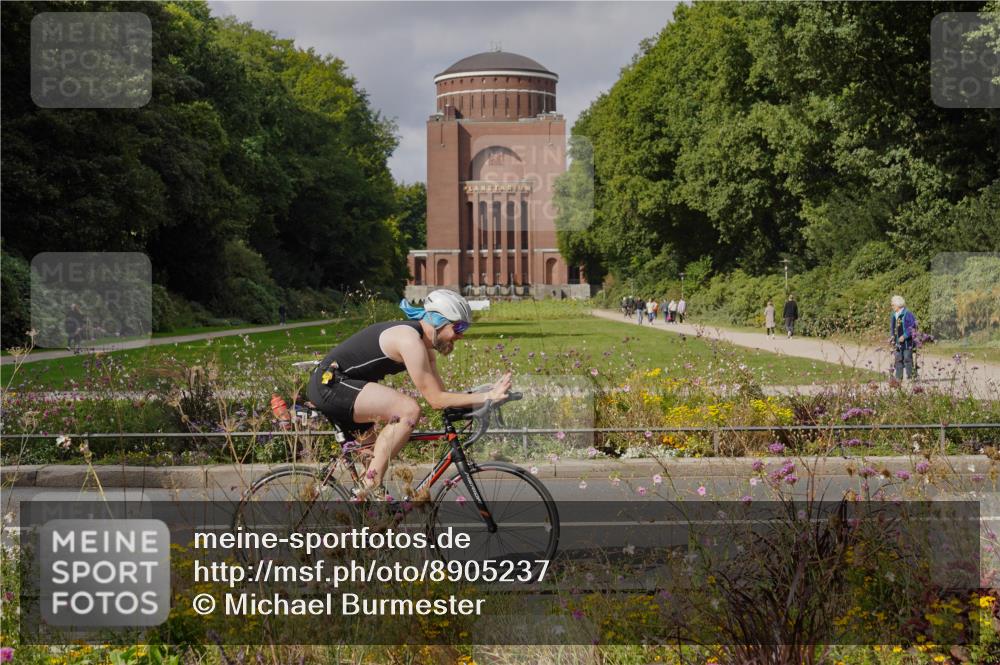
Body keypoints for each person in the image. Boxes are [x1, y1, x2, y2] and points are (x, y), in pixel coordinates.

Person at [306, 289, 511, 499]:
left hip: (347, 387)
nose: (461, 335)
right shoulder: (410, 341)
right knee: (408, 410)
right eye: (458, 326)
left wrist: (481, 395)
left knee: (375, 471)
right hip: (330, 383)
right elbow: (435, 400)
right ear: (438, 321)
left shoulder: (425, 346)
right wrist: (487, 397)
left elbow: (442, 395)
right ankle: (367, 488)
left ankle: (368, 519)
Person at [889, 295, 918, 380]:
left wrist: (905, 336)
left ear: (898, 305)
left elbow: (912, 326)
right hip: (897, 342)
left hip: (907, 342)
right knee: (898, 359)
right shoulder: (894, 315)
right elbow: (892, 327)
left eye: (893, 305)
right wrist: (892, 336)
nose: (892, 307)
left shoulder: (907, 313)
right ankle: (898, 377)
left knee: (907, 359)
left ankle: (911, 377)